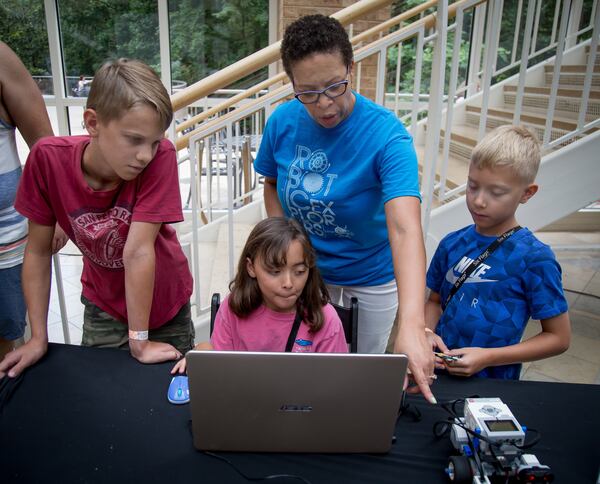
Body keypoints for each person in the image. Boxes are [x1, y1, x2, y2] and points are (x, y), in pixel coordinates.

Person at [253, 14, 435, 402]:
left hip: (368, 278)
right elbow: (271, 182)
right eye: (308, 92)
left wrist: (413, 322)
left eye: (335, 86)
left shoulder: (387, 136)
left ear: (351, 68)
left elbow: (405, 229)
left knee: (355, 381)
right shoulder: (282, 123)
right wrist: (285, 246)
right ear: (292, 86)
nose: (324, 104)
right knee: (304, 371)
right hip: (305, 275)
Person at [0, 58, 194, 379]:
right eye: (133, 139)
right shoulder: (47, 159)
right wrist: (37, 337)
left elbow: (138, 251)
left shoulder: (161, 157)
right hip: (103, 305)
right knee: (99, 397)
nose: (145, 155)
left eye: (154, 141)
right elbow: (36, 251)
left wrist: (140, 341)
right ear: (93, 123)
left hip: (163, 306)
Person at [425, 125, 571, 379]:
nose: (479, 200)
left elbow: (558, 337)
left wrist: (488, 357)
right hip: (438, 373)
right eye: (472, 186)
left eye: (496, 192)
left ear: (527, 193)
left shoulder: (535, 258)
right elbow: (434, 301)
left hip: (494, 383)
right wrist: (426, 334)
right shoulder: (451, 243)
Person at [172, 217, 348, 374]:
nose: (288, 283)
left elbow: (335, 386)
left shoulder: (327, 319)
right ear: (251, 268)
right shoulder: (233, 307)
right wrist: (202, 354)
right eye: (275, 271)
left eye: (300, 271)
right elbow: (220, 367)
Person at [0, 41, 67, 361]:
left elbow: (45, 147)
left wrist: (54, 216)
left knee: (4, 340)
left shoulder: (1, 58)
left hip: (4, 242)